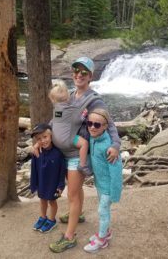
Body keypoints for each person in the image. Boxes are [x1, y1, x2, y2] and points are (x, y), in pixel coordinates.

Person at [33, 56, 120, 253]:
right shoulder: (69, 95)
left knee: (72, 195)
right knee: (75, 192)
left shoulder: (94, 100)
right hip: (61, 154)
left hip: (75, 156)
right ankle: (78, 214)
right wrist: (40, 140)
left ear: (90, 76)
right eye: (75, 72)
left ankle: (69, 237)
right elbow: (57, 120)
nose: (78, 75)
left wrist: (115, 144)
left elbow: (110, 123)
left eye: (83, 73)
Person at [83, 108, 122, 253]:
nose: (92, 127)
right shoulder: (92, 138)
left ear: (106, 126)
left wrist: (115, 193)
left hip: (109, 187)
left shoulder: (109, 147)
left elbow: (117, 172)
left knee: (102, 211)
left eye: (97, 125)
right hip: (99, 184)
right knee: (103, 209)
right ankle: (106, 232)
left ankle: (101, 240)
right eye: (90, 123)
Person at [48, 79, 92, 176]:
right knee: (84, 143)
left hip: (56, 141)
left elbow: (53, 123)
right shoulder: (72, 110)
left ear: (52, 99)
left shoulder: (56, 111)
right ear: (68, 97)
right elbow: (78, 120)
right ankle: (82, 165)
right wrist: (84, 113)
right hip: (68, 141)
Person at [30, 123, 66, 233]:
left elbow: (62, 170)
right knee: (42, 200)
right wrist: (34, 184)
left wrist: (61, 185)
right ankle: (43, 217)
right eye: (39, 139)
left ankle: (51, 220)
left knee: (52, 201)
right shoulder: (37, 152)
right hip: (42, 182)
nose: (43, 140)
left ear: (51, 136)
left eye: (45, 137)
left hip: (53, 183)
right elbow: (34, 169)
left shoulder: (58, 153)